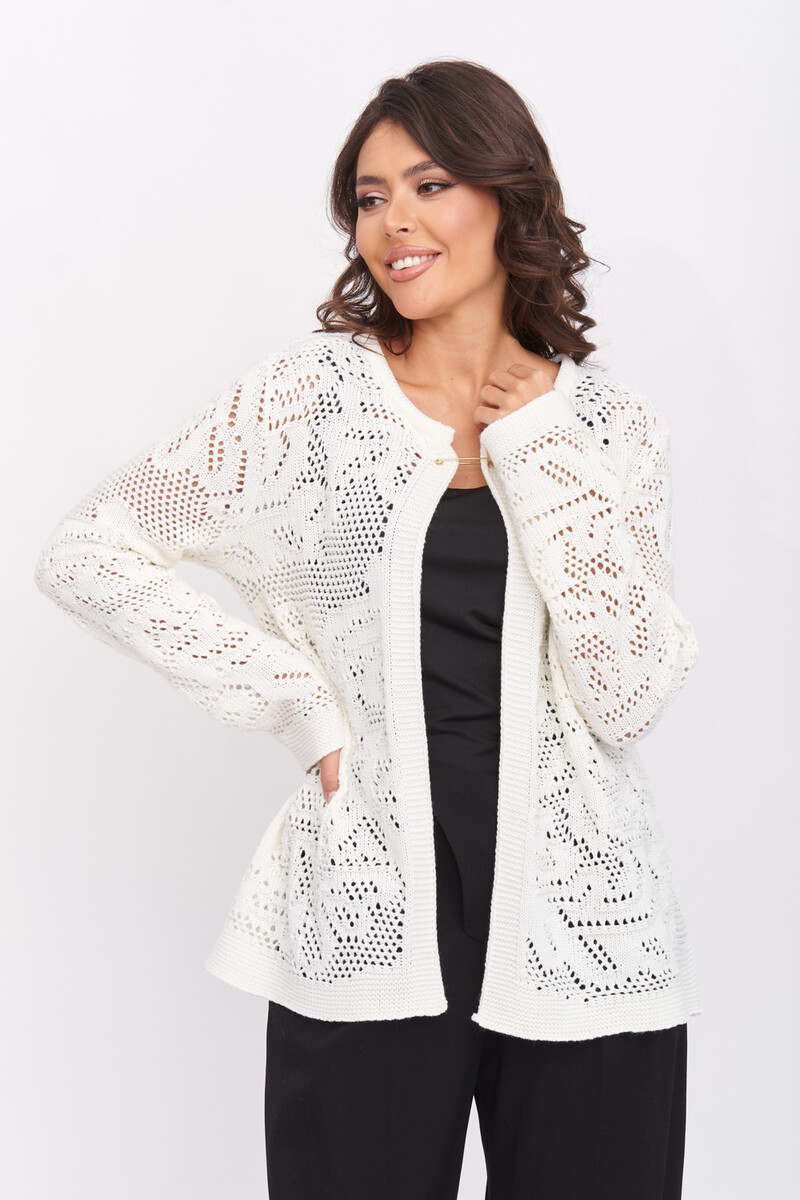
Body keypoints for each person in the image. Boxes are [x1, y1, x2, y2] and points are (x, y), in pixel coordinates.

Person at [34, 58, 701, 1200]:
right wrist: (296, 704)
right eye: (369, 196)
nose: (393, 221)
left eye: (429, 185)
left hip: (587, 922)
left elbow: (628, 696)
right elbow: (89, 551)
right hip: (367, 905)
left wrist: (538, 447)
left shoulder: (609, 429)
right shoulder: (308, 400)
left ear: (508, 197)